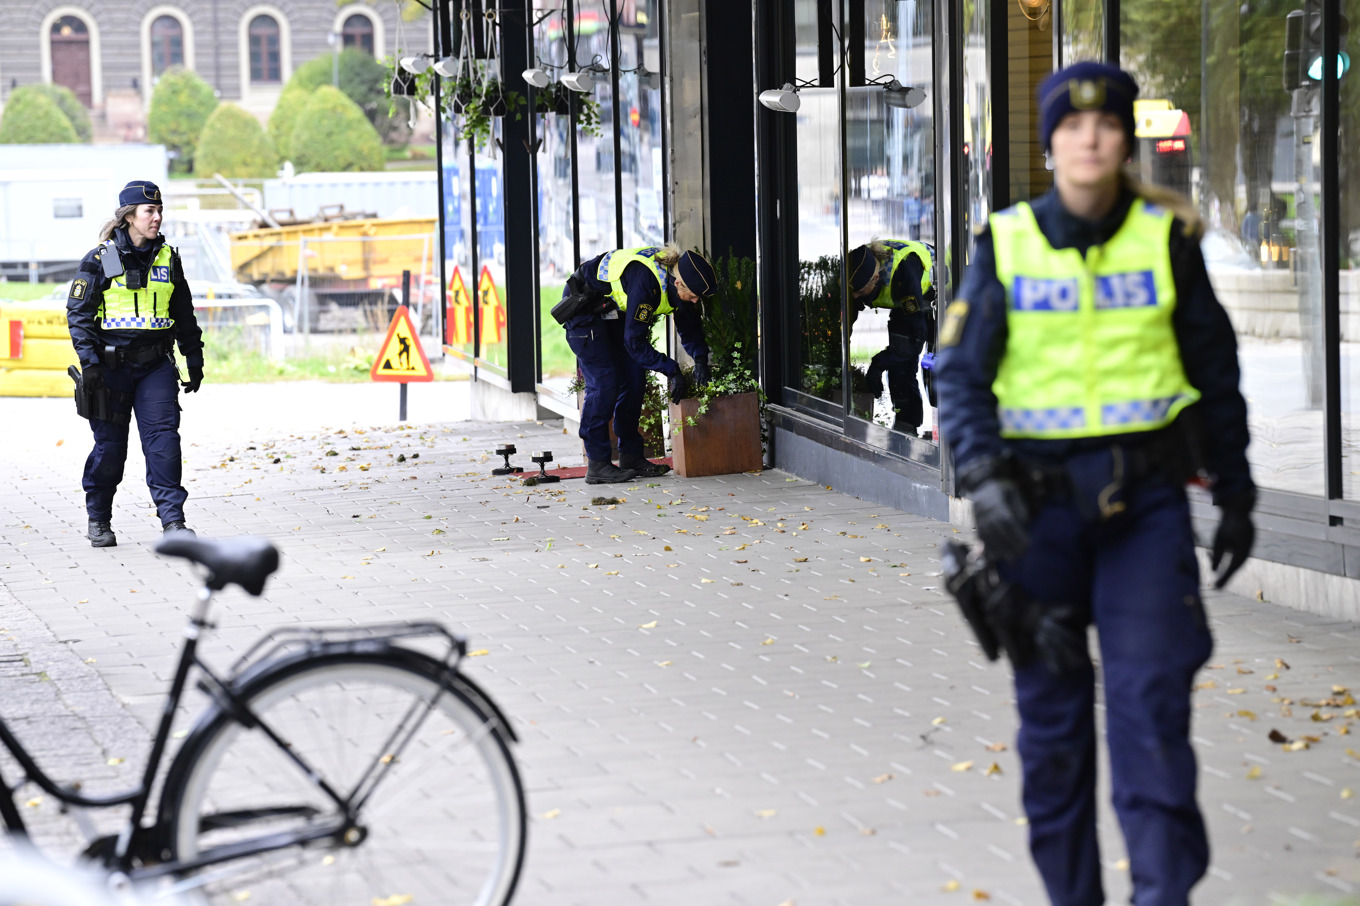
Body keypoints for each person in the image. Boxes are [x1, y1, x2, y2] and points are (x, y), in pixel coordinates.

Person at [935, 62, 1255, 906]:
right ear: (1049, 144)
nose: (1089, 138)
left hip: (1143, 511)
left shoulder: (1165, 242)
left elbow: (1215, 376)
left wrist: (1238, 493)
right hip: (1034, 521)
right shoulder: (1005, 242)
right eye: (1072, 127)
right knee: (1055, 735)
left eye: (1106, 126)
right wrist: (981, 477)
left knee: (1151, 710)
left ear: (1123, 140)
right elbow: (962, 378)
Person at [67, 180, 204, 548]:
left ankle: (173, 523)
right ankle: (99, 518)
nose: (157, 217)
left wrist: (194, 356)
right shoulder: (100, 258)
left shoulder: (168, 258)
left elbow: (183, 313)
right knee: (110, 450)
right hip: (109, 370)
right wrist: (90, 363)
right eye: (149, 212)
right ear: (129, 217)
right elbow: (78, 314)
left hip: (155, 366)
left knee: (164, 444)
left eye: (159, 211)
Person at [559, 245, 714, 484]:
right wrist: (671, 370)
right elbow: (634, 343)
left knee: (633, 380)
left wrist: (701, 360)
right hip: (583, 310)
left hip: (609, 311)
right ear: (678, 284)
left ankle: (631, 456)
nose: (695, 301)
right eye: (693, 295)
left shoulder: (677, 282)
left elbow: (689, 323)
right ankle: (598, 464)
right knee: (604, 383)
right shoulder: (648, 284)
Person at [847, 238, 935, 435]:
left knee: (925, 367)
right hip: (902, 301)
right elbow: (848, 319)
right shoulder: (861, 264)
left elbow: (914, 338)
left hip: (936, 296)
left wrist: (878, 364)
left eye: (859, 292)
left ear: (875, 279)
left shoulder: (904, 275)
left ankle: (921, 428)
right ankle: (905, 423)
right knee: (897, 368)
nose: (855, 296)